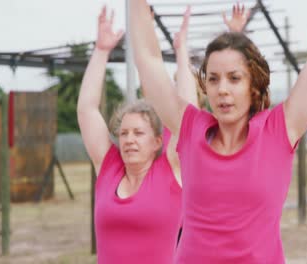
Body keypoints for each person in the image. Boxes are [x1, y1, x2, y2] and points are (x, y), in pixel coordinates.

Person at [130, 0, 307, 262]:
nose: (222, 89)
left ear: (254, 84)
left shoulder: (278, 130)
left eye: (234, 78)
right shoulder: (191, 129)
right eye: (214, 79)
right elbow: (148, 60)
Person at [76, 6, 190, 264]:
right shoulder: (109, 169)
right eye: (124, 133)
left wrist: (179, 52)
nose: (129, 139)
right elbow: (86, 109)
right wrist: (101, 50)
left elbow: (183, 107)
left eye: (139, 133)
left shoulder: (171, 169)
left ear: (157, 141)